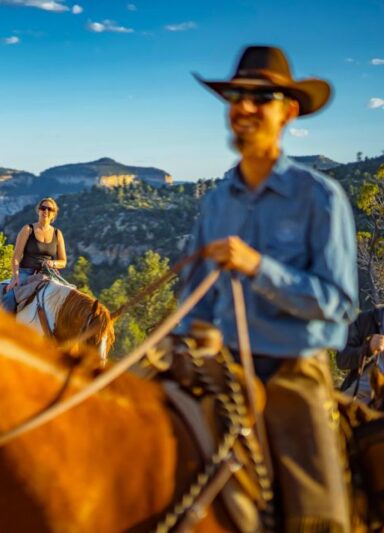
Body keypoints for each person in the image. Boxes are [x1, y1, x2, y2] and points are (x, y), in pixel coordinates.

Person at [179, 46, 358, 530]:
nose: (246, 106)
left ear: (289, 110)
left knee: (318, 516)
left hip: (292, 374)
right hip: (222, 368)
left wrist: (259, 267)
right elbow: (192, 296)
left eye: (263, 97)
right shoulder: (217, 202)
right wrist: (192, 334)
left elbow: (339, 303)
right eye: (237, 95)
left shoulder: (319, 197)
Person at [1, 197, 68, 313]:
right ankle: (2, 326)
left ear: (53, 214)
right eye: (43, 208)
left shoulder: (57, 234)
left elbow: (63, 261)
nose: (46, 211)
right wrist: (15, 277)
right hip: (25, 272)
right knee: (10, 296)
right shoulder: (28, 229)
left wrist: (53, 263)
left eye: (49, 209)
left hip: (48, 273)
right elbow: (16, 256)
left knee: (67, 297)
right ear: (38, 210)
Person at [337, 307, 384, 405]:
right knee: (335, 413)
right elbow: (342, 359)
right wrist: (368, 348)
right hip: (365, 391)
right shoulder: (366, 319)